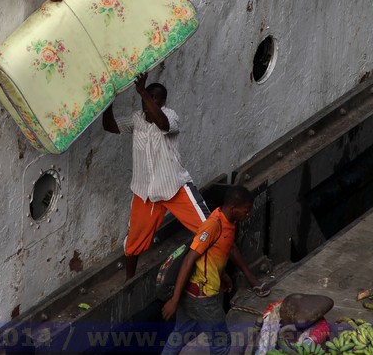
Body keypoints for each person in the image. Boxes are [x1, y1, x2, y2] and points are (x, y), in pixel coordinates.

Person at [102, 73, 261, 287]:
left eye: (156, 98)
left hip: (175, 187)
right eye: (148, 97)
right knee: (133, 242)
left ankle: (242, 276)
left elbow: (163, 124)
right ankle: (128, 282)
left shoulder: (170, 116)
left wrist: (142, 92)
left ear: (163, 102)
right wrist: (106, 103)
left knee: (211, 228)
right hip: (145, 192)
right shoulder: (136, 120)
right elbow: (110, 126)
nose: (151, 101)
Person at [160, 186, 255, 355]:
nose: (247, 215)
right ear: (233, 208)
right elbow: (189, 260)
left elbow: (215, 253)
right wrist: (174, 299)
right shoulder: (212, 225)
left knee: (180, 334)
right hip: (202, 297)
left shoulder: (228, 222)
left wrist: (222, 275)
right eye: (246, 211)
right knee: (221, 340)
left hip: (192, 292)